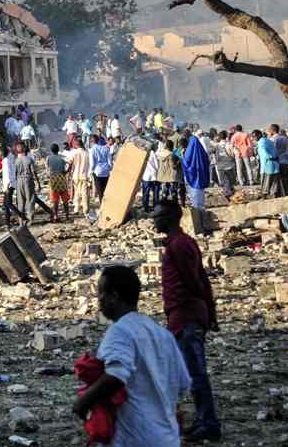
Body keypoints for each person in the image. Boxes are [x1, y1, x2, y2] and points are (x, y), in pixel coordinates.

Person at [72, 265, 191, 446]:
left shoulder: (120, 331)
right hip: (167, 437)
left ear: (114, 297)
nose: (99, 300)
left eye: (102, 293)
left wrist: (84, 401)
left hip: (135, 437)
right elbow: (183, 384)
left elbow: (116, 375)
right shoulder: (162, 334)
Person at [151, 201, 221, 442]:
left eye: (158, 216)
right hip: (185, 315)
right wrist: (210, 312)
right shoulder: (182, 243)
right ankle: (202, 421)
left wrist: (205, 312)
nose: (154, 221)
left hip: (186, 316)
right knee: (191, 373)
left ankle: (209, 423)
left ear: (170, 218)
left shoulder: (179, 245)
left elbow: (194, 280)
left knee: (196, 373)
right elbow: (201, 278)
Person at [45, 143, 71, 222]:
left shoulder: (48, 158)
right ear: (58, 150)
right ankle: (67, 215)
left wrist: (49, 175)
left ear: (51, 150)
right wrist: (66, 171)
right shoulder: (62, 157)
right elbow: (70, 162)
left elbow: (47, 169)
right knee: (65, 199)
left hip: (53, 179)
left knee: (55, 199)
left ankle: (56, 215)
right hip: (62, 178)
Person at [68, 136, 92, 216]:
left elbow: (69, 162)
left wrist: (67, 171)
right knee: (84, 193)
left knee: (77, 193)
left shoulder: (74, 152)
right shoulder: (87, 153)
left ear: (77, 144)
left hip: (76, 176)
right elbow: (90, 165)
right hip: (84, 176)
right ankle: (86, 209)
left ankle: (76, 209)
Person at [255, 128, 281, 198]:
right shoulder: (269, 141)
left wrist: (269, 157)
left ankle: (265, 197)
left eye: (255, 136)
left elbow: (264, 153)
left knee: (265, 185)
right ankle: (275, 195)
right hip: (275, 164)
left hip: (266, 166)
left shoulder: (261, 142)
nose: (254, 138)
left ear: (259, 135)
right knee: (274, 184)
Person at [271, 124, 288, 196]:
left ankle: (281, 193)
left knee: (278, 179)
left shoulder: (273, 139)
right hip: (285, 160)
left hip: (277, 161)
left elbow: (274, 151)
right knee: (286, 177)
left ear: (272, 130)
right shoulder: (285, 138)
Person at [213, 131, 236, 199]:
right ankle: (229, 193)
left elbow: (211, 152)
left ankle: (227, 193)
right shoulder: (229, 144)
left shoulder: (216, 145)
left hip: (220, 166)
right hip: (229, 165)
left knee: (224, 181)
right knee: (230, 181)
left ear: (219, 137)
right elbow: (234, 154)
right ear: (226, 137)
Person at [89, 135, 112, 202]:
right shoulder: (106, 148)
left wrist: (90, 171)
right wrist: (109, 169)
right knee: (106, 190)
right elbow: (110, 162)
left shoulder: (92, 149)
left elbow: (92, 163)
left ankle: (102, 205)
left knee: (100, 191)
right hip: (106, 172)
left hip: (97, 172)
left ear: (92, 141)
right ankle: (107, 204)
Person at [156, 139, 178, 204]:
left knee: (164, 192)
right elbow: (172, 166)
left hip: (162, 176)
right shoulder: (171, 155)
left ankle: (163, 205)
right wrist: (177, 163)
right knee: (173, 192)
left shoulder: (159, 153)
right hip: (170, 176)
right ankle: (174, 206)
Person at [141, 143, 159, 212]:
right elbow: (157, 166)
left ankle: (145, 208)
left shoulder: (143, 153)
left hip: (146, 176)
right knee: (155, 193)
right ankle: (155, 207)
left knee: (146, 193)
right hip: (154, 176)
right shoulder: (153, 153)